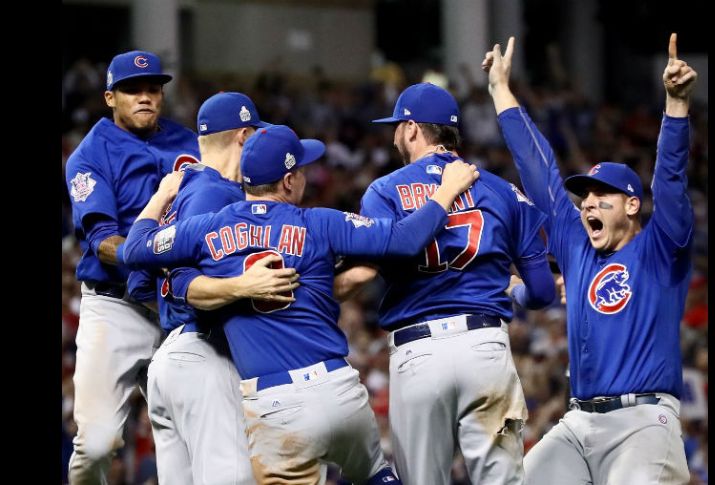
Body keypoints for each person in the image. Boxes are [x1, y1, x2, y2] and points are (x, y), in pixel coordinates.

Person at [122, 124, 480, 484]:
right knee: (376, 474)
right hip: (338, 389)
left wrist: (162, 196)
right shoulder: (318, 223)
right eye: (302, 170)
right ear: (289, 181)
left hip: (276, 405)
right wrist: (446, 190)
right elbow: (404, 239)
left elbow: (133, 249)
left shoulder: (206, 229)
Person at [483, 34, 695, 484]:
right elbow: (537, 169)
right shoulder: (578, 247)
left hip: (643, 421)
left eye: (603, 195)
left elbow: (670, 178)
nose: (589, 203)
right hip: (578, 422)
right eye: (586, 197)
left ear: (633, 205)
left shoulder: (660, 248)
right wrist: (500, 90)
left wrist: (676, 105)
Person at [337, 82, 556, 485]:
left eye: (397, 126)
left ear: (412, 129)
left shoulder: (383, 191)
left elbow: (372, 265)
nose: (394, 136)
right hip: (485, 347)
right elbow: (542, 292)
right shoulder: (502, 190)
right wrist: (513, 288)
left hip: (419, 352)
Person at [135, 92, 299, 485]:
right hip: (205, 353)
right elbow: (182, 282)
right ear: (244, 136)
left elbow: (141, 283)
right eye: (256, 135)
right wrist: (237, 288)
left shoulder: (184, 191)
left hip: (174, 356)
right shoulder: (219, 194)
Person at [65, 50, 200, 484]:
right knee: (96, 444)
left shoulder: (188, 143)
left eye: (152, 89)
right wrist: (156, 253)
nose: (145, 97)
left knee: (191, 438)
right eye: (131, 89)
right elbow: (102, 240)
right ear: (110, 97)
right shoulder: (90, 155)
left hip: (177, 306)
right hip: (115, 307)